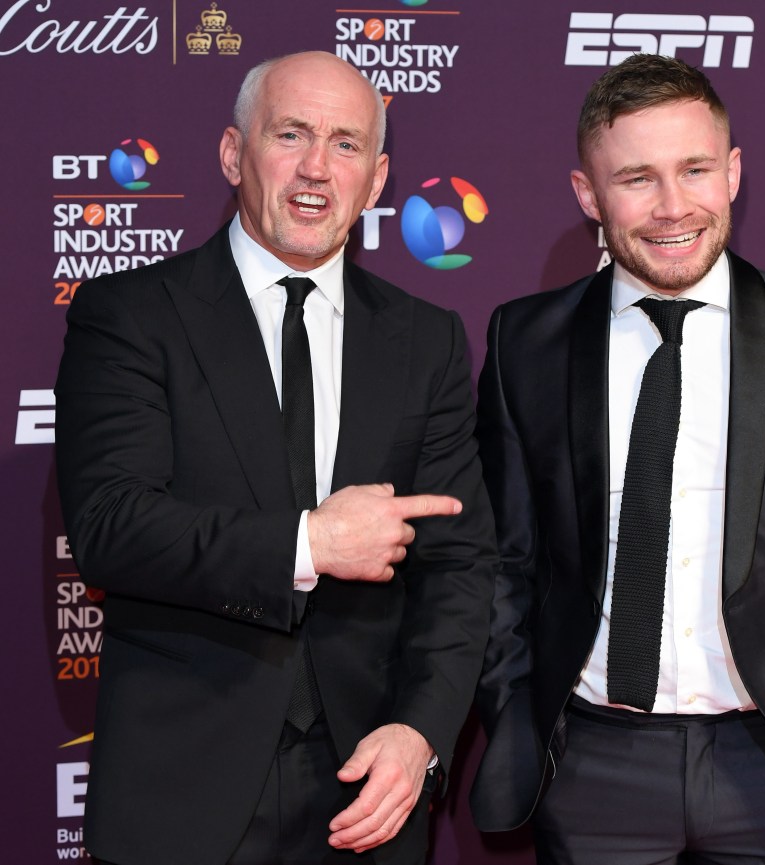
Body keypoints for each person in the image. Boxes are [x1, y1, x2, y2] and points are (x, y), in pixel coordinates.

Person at [469, 54, 765, 864]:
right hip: (592, 765)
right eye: (637, 178)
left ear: (734, 173)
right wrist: (517, 710)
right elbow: (504, 559)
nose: (673, 206)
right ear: (588, 195)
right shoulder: (524, 341)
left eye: (695, 170)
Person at [55, 51, 497, 865]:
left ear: (378, 179)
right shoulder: (130, 314)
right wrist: (311, 544)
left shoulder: (425, 338)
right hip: (182, 790)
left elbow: (461, 564)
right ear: (234, 153)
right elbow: (112, 525)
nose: (316, 168)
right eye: (290, 134)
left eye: (346, 144)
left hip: (367, 786)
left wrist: (422, 732)